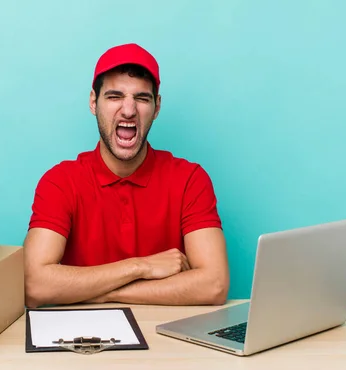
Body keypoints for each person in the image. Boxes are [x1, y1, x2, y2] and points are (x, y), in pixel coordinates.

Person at [24, 43, 229, 308]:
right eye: (114, 96)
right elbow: (35, 285)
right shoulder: (60, 182)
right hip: (84, 340)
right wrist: (140, 267)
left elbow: (214, 285)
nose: (129, 110)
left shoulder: (190, 179)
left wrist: (104, 293)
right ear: (93, 102)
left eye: (142, 98)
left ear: (156, 107)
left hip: (166, 341)